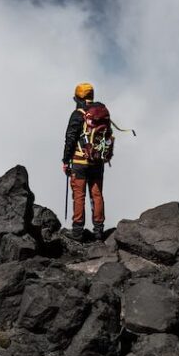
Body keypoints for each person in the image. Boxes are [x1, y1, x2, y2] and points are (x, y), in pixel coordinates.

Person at [62, 82, 107, 240]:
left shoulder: (78, 114)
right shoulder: (101, 113)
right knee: (97, 195)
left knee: (79, 195)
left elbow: (70, 138)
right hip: (97, 161)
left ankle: (77, 232)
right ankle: (99, 231)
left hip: (80, 161)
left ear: (78, 98)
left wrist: (65, 161)